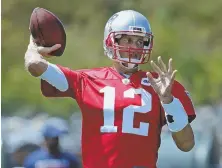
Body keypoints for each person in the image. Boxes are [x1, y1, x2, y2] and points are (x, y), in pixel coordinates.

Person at [25, 10, 196, 168]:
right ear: (111, 41)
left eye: (139, 41)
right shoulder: (87, 80)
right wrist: (33, 47)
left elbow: (186, 144)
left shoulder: (161, 84)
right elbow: (34, 65)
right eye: (127, 40)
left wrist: (169, 102)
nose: (134, 47)